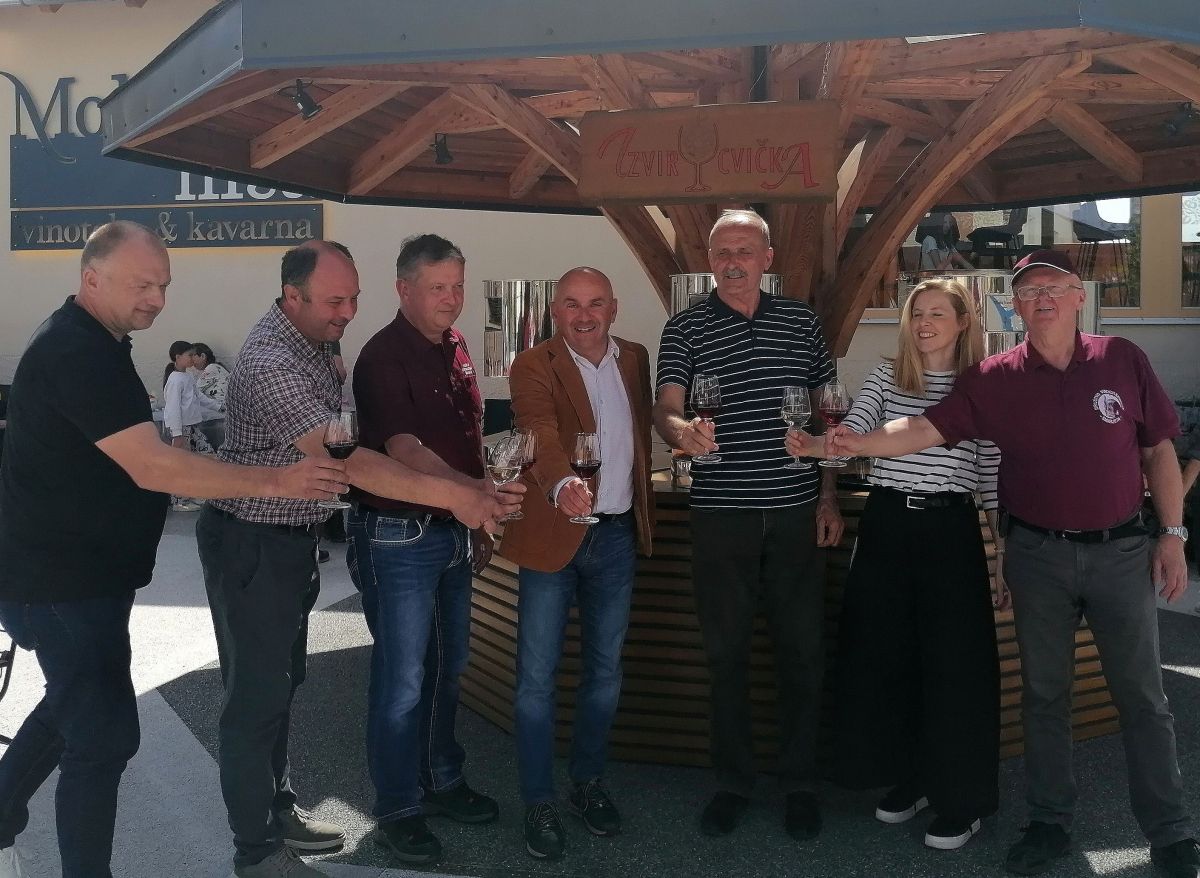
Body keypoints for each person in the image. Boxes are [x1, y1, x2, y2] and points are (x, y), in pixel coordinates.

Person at [824, 249, 1198, 877]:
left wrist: (1173, 534)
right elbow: (924, 429)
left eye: (1054, 288)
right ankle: (1048, 823)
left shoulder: (1122, 357)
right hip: (1037, 555)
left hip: (1120, 552)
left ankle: (1171, 833)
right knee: (1044, 698)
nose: (1042, 299)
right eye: (1029, 292)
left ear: (1078, 296)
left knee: (1143, 699)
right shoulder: (993, 377)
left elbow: (1158, 449)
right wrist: (850, 443)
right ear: (1015, 306)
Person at [0, 221, 347, 878]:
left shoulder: (97, 342)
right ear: (92, 278)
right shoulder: (76, 351)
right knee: (103, 737)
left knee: (70, 709)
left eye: (163, 284)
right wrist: (277, 480)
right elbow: (155, 465)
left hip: (86, 580)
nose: (158, 298)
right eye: (142, 284)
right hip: (59, 582)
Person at [196, 239, 521, 878]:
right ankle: (256, 851)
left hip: (291, 538)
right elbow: (357, 461)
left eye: (352, 299)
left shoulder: (315, 341)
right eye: (334, 301)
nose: (347, 312)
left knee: (283, 686)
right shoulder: (272, 363)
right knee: (257, 700)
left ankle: (279, 810)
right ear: (292, 296)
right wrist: (463, 497)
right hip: (253, 542)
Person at [789, 278, 1002, 851]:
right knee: (888, 656)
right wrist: (822, 443)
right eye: (917, 313)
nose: (924, 323)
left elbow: (989, 474)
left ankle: (962, 799)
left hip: (949, 530)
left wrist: (1000, 555)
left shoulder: (981, 384)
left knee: (954, 667)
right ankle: (912, 776)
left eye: (937, 313)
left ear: (963, 322)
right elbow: (854, 434)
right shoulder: (887, 376)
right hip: (886, 525)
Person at [652, 208, 844, 840]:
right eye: (722, 252)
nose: (732, 262)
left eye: (744, 250)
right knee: (726, 655)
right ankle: (733, 782)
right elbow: (666, 408)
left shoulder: (801, 323)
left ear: (767, 259)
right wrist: (680, 431)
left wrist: (828, 498)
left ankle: (800, 784)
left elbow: (826, 416)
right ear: (710, 261)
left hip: (794, 510)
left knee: (802, 654)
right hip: (721, 516)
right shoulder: (685, 327)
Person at [344, 233, 505, 867]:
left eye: (457, 286)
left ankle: (440, 778)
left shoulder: (456, 345)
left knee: (448, 667)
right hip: (399, 536)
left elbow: (467, 436)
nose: (451, 298)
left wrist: (475, 513)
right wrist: (472, 495)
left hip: (451, 532)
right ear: (404, 289)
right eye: (438, 287)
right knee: (402, 681)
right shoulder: (382, 356)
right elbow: (404, 448)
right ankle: (397, 808)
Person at [498, 267, 654, 861]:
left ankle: (587, 783)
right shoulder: (532, 363)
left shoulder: (635, 358)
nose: (584, 315)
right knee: (536, 680)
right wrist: (563, 483)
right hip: (553, 535)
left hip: (614, 537)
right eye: (571, 304)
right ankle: (538, 800)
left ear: (613, 308)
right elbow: (537, 429)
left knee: (605, 674)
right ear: (555, 311)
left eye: (595, 304)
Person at [163, 340, 222, 511]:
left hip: (192, 426)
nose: (192, 359)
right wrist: (177, 434)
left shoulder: (187, 377)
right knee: (182, 464)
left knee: (206, 456)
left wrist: (219, 406)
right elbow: (173, 408)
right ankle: (179, 501)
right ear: (178, 357)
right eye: (189, 355)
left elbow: (199, 397)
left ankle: (195, 493)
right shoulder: (175, 380)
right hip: (181, 429)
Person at [191, 341, 231, 406]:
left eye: (191, 356)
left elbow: (194, 392)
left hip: (221, 409)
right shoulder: (214, 367)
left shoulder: (211, 368)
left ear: (203, 356)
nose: (190, 361)